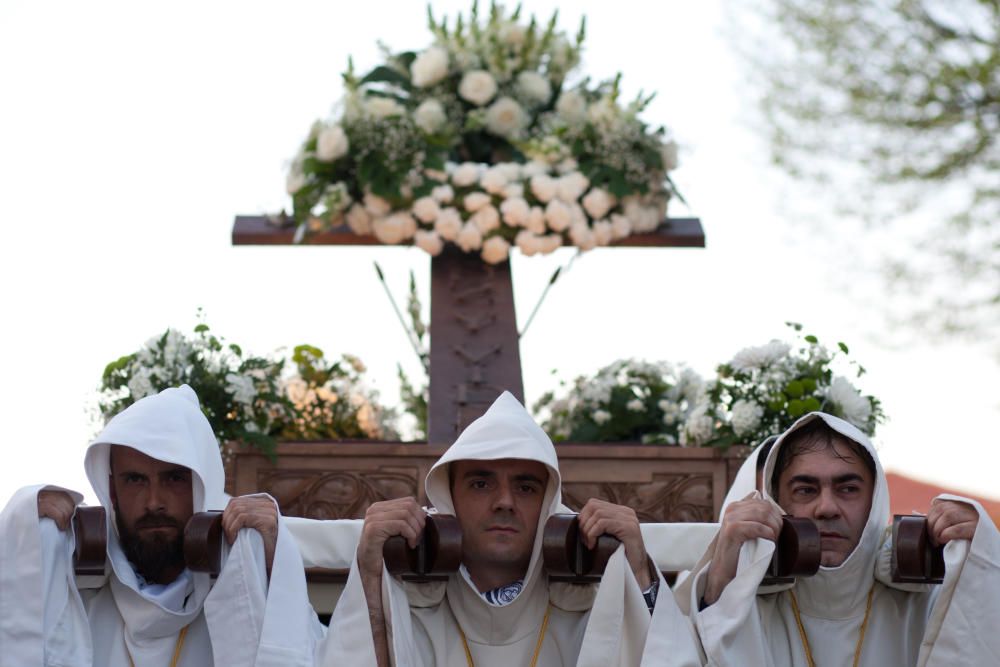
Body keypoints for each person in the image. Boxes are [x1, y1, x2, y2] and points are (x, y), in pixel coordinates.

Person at [319, 391, 700, 667]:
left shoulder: (593, 604)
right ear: (448, 499)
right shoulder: (408, 602)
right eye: (481, 484)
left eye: (525, 487)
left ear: (549, 504)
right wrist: (370, 574)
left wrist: (636, 574)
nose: (504, 501)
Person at [0, 385, 323, 667]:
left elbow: (321, 656)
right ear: (112, 492)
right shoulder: (73, 594)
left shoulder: (248, 589)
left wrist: (271, 571)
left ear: (202, 485)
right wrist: (21, 529)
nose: (154, 501)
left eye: (174, 478)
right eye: (135, 480)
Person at [678, 411, 1000, 665]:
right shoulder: (737, 597)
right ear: (776, 501)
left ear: (874, 502)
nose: (827, 508)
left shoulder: (927, 597)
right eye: (805, 490)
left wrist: (984, 560)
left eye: (848, 489)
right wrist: (721, 575)